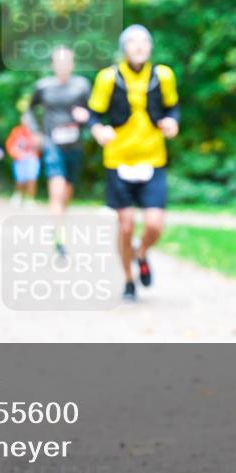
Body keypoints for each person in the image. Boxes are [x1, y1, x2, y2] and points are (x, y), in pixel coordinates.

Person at [88, 24, 180, 301]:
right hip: (118, 160)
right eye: (133, 42)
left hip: (153, 159)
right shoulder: (108, 77)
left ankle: (141, 252)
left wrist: (172, 122)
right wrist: (98, 130)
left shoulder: (163, 75)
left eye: (144, 42)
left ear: (150, 47)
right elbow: (94, 114)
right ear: (123, 48)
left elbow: (173, 106)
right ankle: (128, 280)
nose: (139, 46)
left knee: (154, 224)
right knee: (126, 224)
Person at [25, 45, 92, 256]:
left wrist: (86, 115)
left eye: (66, 62)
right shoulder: (43, 87)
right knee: (57, 190)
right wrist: (35, 132)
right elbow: (28, 111)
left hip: (74, 146)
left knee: (66, 193)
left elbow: (96, 112)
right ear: (53, 65)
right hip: (52, 145)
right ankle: (59, 237)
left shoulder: (82, 86)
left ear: (72, 64)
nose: (62, 66)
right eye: (58, 62)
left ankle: (59, 222)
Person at [5, 113, 41, 206]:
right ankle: (18, 195)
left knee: (32, 178)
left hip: (32, 159)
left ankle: (30, 198)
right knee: (19, 179)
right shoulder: (16, 131)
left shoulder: (35, 133)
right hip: (19, 159)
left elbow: (40, 146)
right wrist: (16, 154)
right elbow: (10, 145)